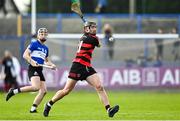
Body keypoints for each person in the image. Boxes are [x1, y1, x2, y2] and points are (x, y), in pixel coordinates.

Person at [43, 22, 119, 117]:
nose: (95, 29)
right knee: (66, 90)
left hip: (87, 66)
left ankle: (109, 109)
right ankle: (49, 104)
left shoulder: (85, 37)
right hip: (78, 66)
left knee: (99, 87)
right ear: (87, 29)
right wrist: (108, 36)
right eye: (93, 27)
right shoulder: (93, 38)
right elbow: (99, 45)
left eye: (95, 27)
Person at [6, 28, 56, 113]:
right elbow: (25, 55)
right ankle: (14, 91)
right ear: (38, 35)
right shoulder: (34, 44)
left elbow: (47, 61)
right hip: (33, 68)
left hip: (40, 69)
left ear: (46, 35)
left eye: (44, 34)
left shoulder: (46, 48)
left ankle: (33, 109)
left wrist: (52, 65)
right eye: (41, 33)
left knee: (43, 91)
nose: (43, 35)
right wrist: (32, 61)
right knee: (35, 87)